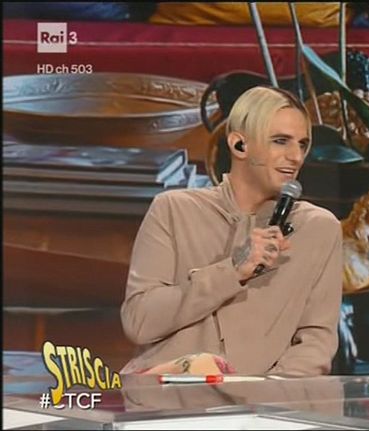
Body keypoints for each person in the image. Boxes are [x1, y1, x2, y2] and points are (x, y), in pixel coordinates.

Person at [120, 86, 343, 377]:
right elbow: (139, 322)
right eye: (280, 141)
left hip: (265, 401)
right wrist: (233, 270)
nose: (296, 156)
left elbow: (315, 343)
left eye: (302, 144)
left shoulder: (318, 228)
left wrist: (266, 393)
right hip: (167, 394)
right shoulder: (174, 209)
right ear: (239, 145)